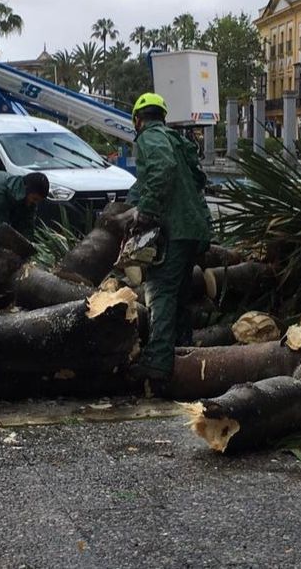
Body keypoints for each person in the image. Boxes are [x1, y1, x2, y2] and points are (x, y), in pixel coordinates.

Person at [124, 92, 212, 384]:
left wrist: (146, 212)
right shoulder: (178, 141)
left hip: (173, 230)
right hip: (193, 229)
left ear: (138, 120)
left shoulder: (150, 138)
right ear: (163, 115)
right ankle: (183, 353)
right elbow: (192, 180)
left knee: (160, 292)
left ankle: (158, 367)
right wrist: (130, 202)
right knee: (180, 295)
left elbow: (162, 169)